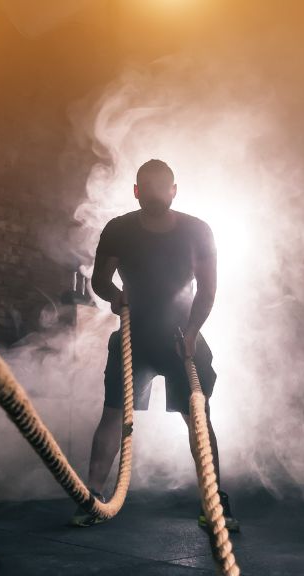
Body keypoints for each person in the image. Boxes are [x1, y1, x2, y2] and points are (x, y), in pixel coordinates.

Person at [70, 159, 239, 532]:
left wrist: (193, 333)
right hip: (134, 335)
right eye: (146, 186)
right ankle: (93, 496)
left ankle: (214, 502)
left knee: (198, 417)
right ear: (136, 191)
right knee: (114, 413)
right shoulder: (119, 229)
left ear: (173, 190)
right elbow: (100, 280)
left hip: (183, 334)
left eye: (162, 186)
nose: (154, 192)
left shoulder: (197, 230)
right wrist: (117, 298)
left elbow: (208, 290)